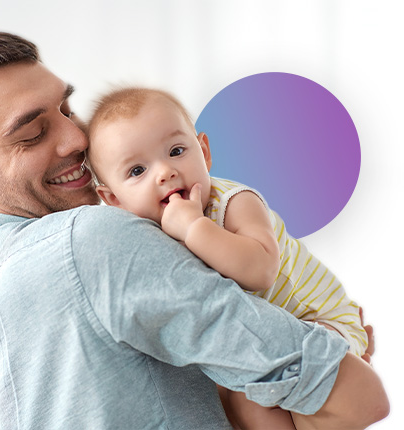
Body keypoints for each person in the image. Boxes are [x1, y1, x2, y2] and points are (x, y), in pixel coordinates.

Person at [0, 31, 389, 429]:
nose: (77, 139)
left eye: (67, 110)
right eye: (32, 134)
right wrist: (327, 357)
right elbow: (361, 400)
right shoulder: (94, 240)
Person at [86, 86, 380, 428]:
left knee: (255, 388)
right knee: (241, 401)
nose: (164, 172)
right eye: (137, 171)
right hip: (268, 341)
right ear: (113, 200)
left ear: (204, 151)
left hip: (320, 323)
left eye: (176, 151)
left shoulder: (234, 203)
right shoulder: (145, 237)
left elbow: (260, 271)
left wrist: (195, 226)